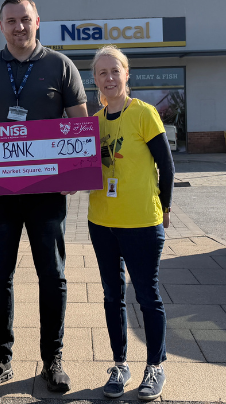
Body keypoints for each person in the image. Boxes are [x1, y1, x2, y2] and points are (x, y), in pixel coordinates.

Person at [0, 0, 88, 394]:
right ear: (1, 26)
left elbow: (79, 127)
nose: (18, 27)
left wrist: (78, 170)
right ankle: (0, 358)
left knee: (52, 275)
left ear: (38, 22)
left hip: (46, 193)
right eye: (11, 20)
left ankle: (53, 358)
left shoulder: (60, 66)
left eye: (25, 20)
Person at [87, 45, 174, 401]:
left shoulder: (144, 113)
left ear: (126, 75)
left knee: (146, 295)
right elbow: (79, 169)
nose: (109, 78)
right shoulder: (92, 123)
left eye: (115, 71)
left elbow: (166, 166)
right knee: (112, 296)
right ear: (94, 80)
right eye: (102, 73)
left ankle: (155, 366)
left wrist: (165, 207)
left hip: (140, 222)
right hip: (101, 222)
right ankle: (119, 364)